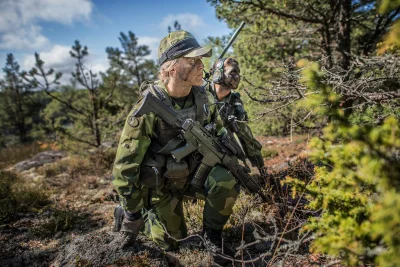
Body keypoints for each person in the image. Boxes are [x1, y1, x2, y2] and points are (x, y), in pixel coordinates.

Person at [112, 30, 238, 265]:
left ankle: (212, 235)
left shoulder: (202, 97)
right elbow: (125, 167)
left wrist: (225, 148)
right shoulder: (149, 107)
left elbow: (218, 130)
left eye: (201, 60)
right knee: (172, 242)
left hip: (192, 174)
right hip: (161, 186)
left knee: (227, 179)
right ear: (171, 67)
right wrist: (131, 212)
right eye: (193, 61)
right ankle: (146, 216)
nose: (202, 65)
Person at [209, 58, 267, 179]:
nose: (237, 77)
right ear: (218, 74)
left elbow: (246, 137)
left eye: (238, 73)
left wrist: (261, 168)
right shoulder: (201, 95)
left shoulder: (234, 102)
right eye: (232, 72)